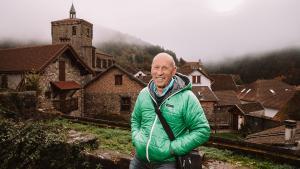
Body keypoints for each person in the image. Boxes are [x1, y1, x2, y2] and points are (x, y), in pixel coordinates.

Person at [130, 53, 210, 169]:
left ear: (173, 71)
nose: (159, 72)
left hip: (166, 163)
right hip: (139, 160)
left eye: (165, 68)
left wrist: (173, 148)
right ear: (151, 69)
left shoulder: (187, 98)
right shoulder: (144, 93)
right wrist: (136, 138)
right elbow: (135, 119)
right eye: (156, 67)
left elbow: (202, 130)